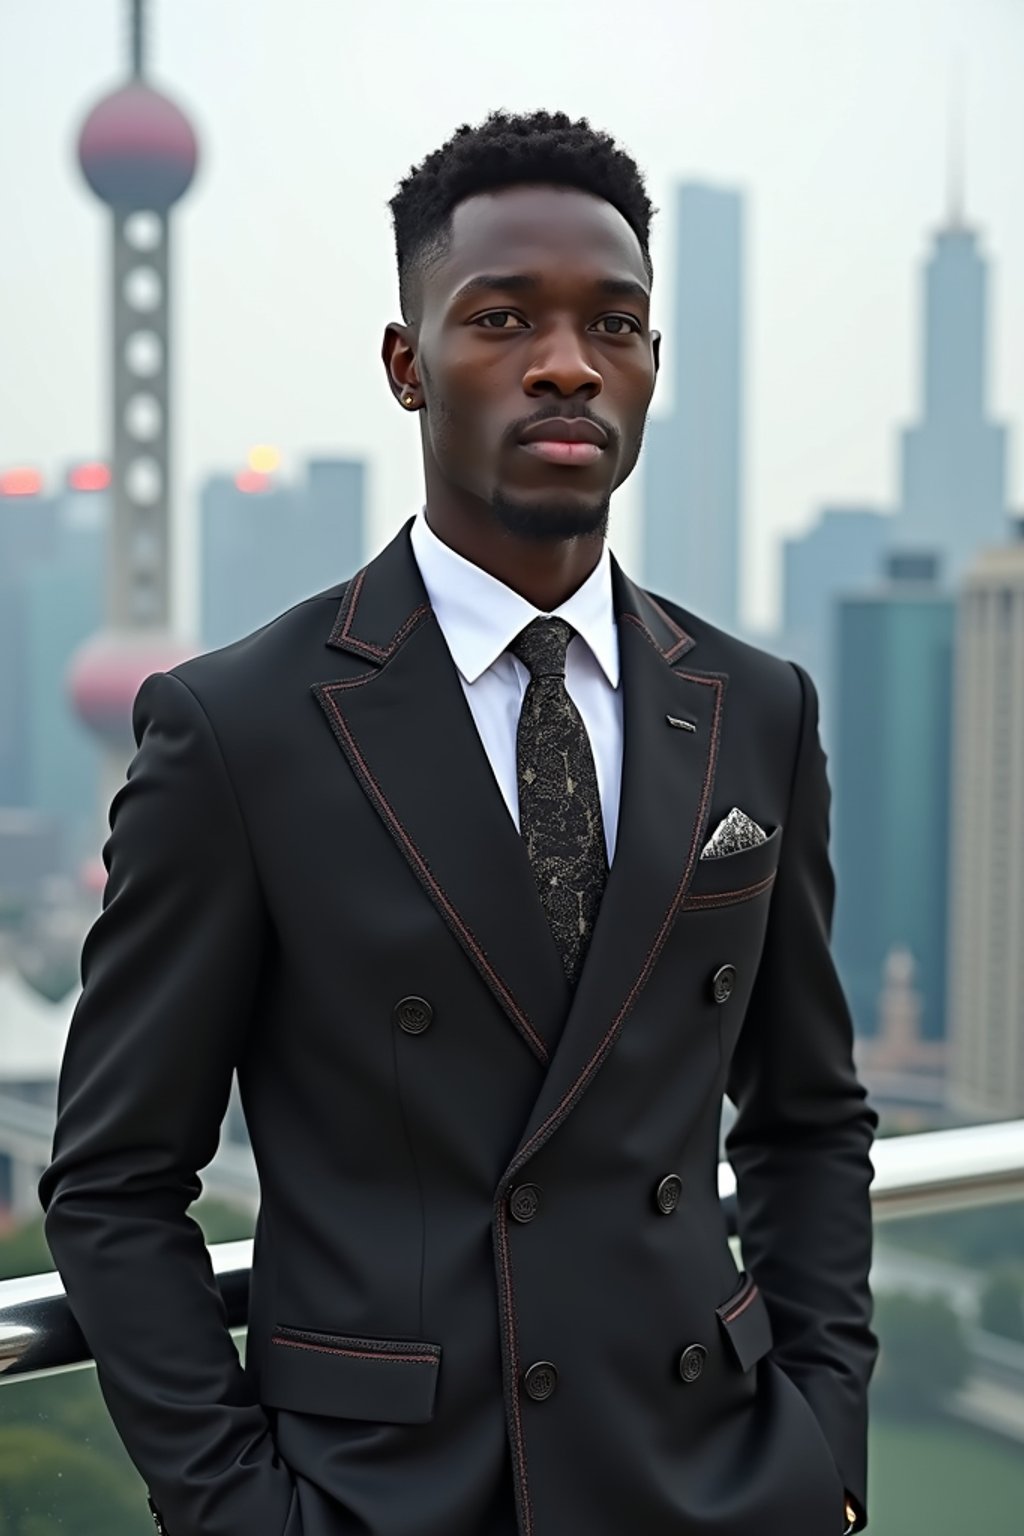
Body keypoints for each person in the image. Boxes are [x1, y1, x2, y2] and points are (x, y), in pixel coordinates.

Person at [40, 108, 878, 1536]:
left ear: (654, 367)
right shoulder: (239, 730)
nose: (567, 362)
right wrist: (241, 1514)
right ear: (407, 365)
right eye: (503, 319)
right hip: (394, 1501)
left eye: (614, 324)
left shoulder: (757, 707)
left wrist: (828, 1456)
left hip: (723, 1484)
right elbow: (116, 1182)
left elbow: (807, 1121)